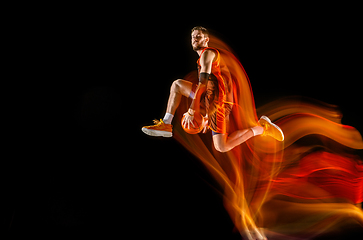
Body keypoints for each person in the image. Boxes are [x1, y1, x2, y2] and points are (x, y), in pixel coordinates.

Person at [142, 26, 283, 152]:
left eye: (198, 36)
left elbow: (203, 83)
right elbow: (208, 87)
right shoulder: (202, 57)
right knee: (177, 85)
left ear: (206, 39)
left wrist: (193, 110)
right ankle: (166, 124)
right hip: (210, 97)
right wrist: (205, 114)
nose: (194, 39)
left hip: (220, 102)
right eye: (193, 37)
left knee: (222, 147)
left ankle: (262, 128)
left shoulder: (208, 54)